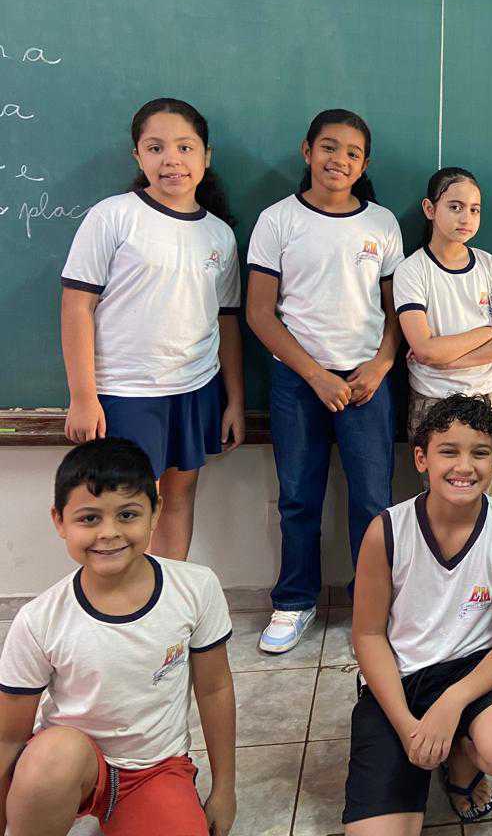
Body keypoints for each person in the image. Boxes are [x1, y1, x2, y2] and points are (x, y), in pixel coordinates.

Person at [0, 437, 237, 836]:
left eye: (127, 515)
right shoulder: (39, 619)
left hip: (154, 768)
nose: (109, 533)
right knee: (52, 757)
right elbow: (8, 738)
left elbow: (214, 689)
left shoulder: (196, 588)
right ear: (59, 521)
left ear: (155, 511)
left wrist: (225, 790)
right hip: (70, 764)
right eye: (89, 518)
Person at [343, 394, 492, 832]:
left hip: (475, 673)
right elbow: (368, 636)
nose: (464, 466)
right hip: (402, 680)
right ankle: (423, 754)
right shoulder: (386, 530)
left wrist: (453, 702)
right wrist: (407, 726)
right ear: (422, 459)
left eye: (480, 453)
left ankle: (460, 754)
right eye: (449, 451)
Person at [246, 109, 404, 654]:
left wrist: (380, 365)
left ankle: (370, 606)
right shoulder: (278, 220)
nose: (340, 160)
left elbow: (397, 312)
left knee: (372, 500)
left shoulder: (382, 224)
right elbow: (260, 314)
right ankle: (294, 601)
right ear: (307, 150)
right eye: (329, 147)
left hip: (366, 381)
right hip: (297, 381)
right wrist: (315, 375)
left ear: (365, 164)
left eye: (353, 153)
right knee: (297, 497)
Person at [60, 97, 244, 560]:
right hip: (126, 391)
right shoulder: (114, 215)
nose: (172, 160)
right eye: (156, 148)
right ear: (138, 156)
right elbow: (77, 306)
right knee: (127, 505)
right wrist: (83, 396)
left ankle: (169, 591)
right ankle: (128, 594)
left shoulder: (219, 235)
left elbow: (226, 321)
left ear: (206, 156)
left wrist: (235, 399)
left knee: (178, 497)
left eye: (185, 147)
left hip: (195, 387)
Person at [394, 168, 492, 498]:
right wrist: (486, 330)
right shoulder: (412, 270)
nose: (466, 218)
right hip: (433, 398)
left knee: (487, 503)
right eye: (455, 207)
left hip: (489, 397)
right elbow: (425, 349)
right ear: (430, 209)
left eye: (474, 210)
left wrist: (452, 360)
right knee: (442, 503)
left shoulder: (490, 266)